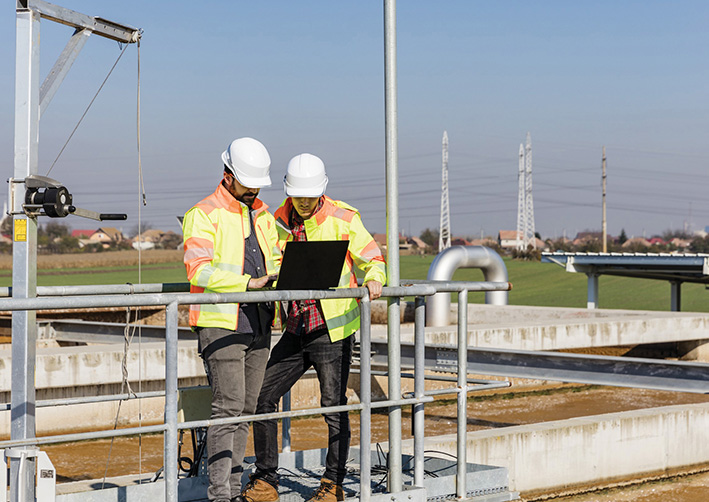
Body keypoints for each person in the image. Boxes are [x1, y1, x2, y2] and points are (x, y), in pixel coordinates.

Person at [241, 153, 386, 502]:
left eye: (309, 197)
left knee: (333, 406)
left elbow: (373, 258)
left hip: (331, 330)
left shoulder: (343, 217)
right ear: (289, 193)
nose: (303, 203)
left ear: (321, 191)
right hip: (295, 327)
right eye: (297, 197)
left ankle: (332, 486)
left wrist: (376, 278)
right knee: (263, 397)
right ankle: (266, 481)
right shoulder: (276, 219)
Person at [182, 137, 282, 502]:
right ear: (228, 175)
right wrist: (246, 283)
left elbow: (274, 260)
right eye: (248, 183)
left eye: (258, 184)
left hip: (259, 323)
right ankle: (219, 495)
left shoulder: (264, 214)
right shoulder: (203, 213)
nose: (254, 189)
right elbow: (199, 270)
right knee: (228, 408)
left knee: (246, 409)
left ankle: (235, 491)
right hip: (221, 322)